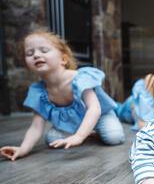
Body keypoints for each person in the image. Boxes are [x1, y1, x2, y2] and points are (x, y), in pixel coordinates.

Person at [0, 30, 124, 161]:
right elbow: (36, 126)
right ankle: (88, 132)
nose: (36, 55)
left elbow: (94, 109)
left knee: (114, 137)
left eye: (44, 50)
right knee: (52, 140)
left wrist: (79, 136)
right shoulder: (38, 91)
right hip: (72, 122)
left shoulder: (79, 78)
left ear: (63, 59)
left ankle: (89, 131)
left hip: (100, 117)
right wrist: (22, 149)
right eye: (29, 53)